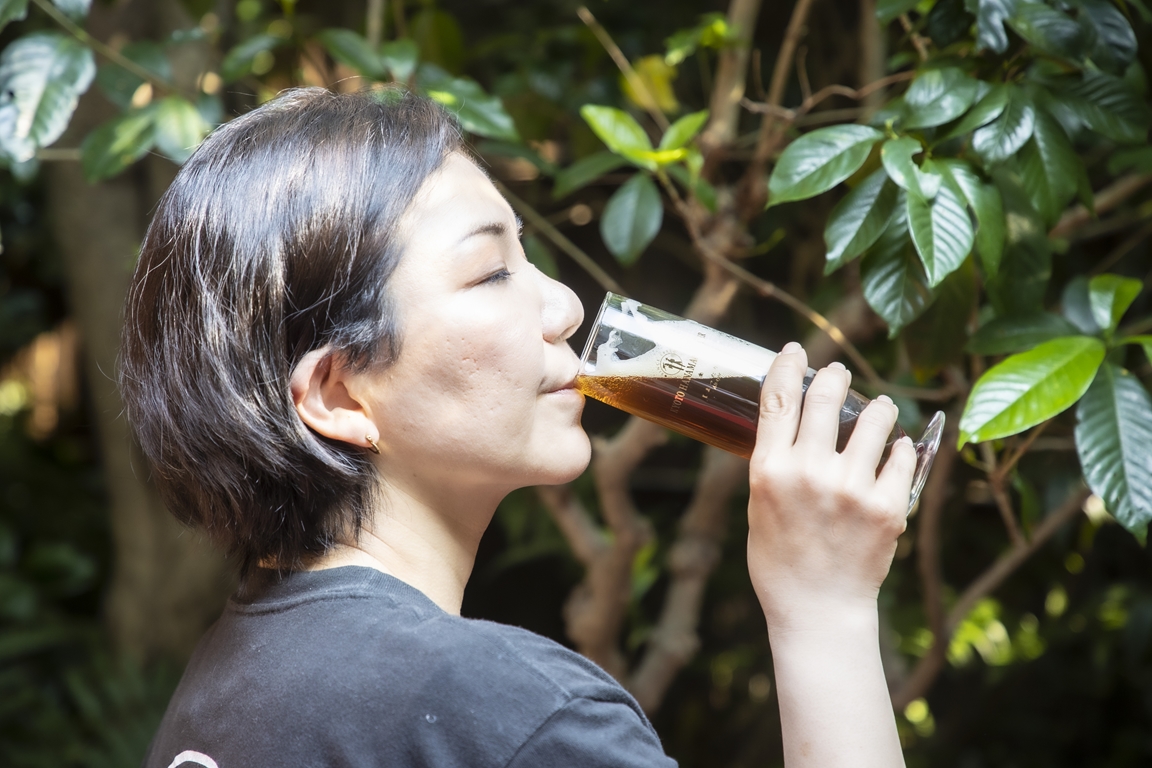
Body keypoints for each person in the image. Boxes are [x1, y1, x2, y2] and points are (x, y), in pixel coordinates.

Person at [120, 87, 917, 768]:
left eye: (527, 257)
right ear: (340, 395)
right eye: (492, 272)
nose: (565, 306)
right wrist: (824, 609)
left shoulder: (225, 690)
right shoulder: (509, 716)